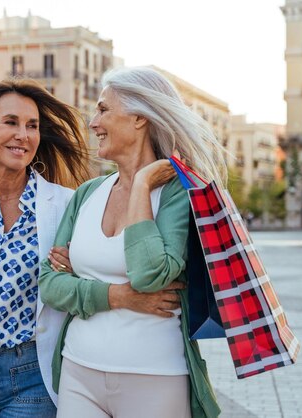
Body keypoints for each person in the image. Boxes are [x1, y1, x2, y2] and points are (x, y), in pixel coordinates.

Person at [0, 78, 184, 418]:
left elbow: (72, 278)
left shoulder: (64, 204)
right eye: (10, 123)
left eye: (32, 126)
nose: (22, 135)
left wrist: (87, 278)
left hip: (32, 378)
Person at [40, 67, 226, 418]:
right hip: (78, 371)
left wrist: (142, 184)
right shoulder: (86, 195)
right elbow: (49, 285)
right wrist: (117, 296)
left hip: (155, 377)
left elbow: (148, 275)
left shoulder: (177, 194)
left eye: (103, 109)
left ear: (139, 118)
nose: (93, 123)